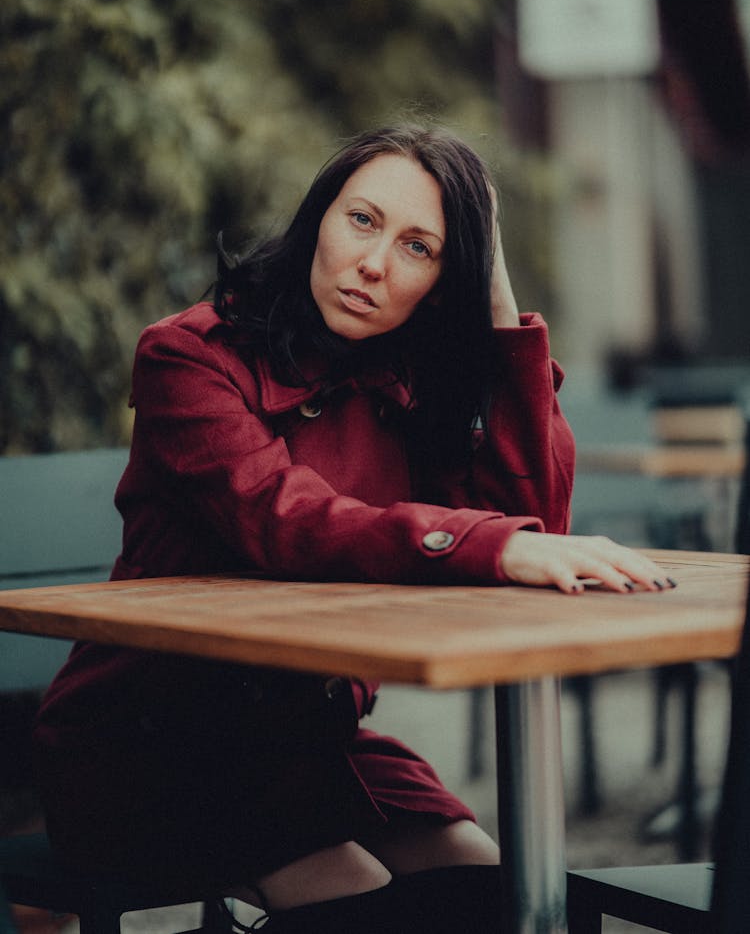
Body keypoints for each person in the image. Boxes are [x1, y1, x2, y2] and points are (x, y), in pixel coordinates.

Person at [32, 124, 675, 933]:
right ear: (318, 218)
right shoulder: (188, 358)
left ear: (444, 282)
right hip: (146, 742)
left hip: (307, 745)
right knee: (359, 895)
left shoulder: (402, 378)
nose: (374, 263)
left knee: (489, 886)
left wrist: (500, 304)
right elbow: (285, 519)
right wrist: (491, 543)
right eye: (362, 220)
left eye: (420, 247)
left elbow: (533, 516)